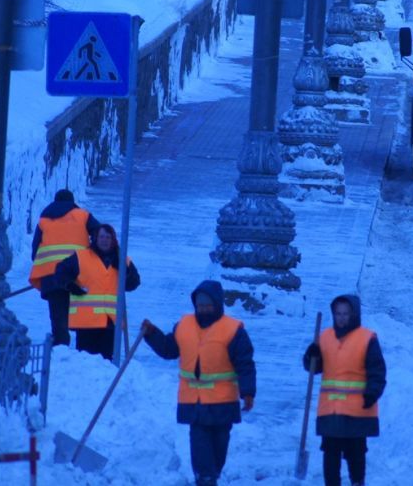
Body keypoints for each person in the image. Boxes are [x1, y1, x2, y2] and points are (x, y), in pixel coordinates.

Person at [143, 280, 256, 486]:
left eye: (208, 305)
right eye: (200, 305)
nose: (203, 309)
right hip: (195, 404)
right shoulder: (184, 326)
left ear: (218, 304)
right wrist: (152, 334)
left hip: (223, 404)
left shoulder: (233, 330)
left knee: (219, 450)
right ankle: (205, 480)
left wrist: (248, 392)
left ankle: (210, 477)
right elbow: (168, 349)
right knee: (200, 449)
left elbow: (245, 364)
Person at [303, 295, 387, 486]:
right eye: (338, 313)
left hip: (357, 411)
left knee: (355, 455)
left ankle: (357, 482)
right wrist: (311, 356)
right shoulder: (325, 337)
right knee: (330, 457)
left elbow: (377, 371)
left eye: (345, 314)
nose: (341, 318)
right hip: (330, 411)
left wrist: (372, 393)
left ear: (354, 314)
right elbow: (313, 367)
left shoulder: (366, 339)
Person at [47, 223, 140, 360]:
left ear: (113, 240)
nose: (104, 240)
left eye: (108, 237)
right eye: (101, 237)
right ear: (95, 238)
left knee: (107, 365)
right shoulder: (81, 257)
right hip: (86, 324)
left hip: (110, 323)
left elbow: (134, 283)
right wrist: (70, 285)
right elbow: (60, 273)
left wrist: (125, 271)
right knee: (85, 364)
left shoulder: (121, 260)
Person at [28, 189, 100, 346]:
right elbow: (100, 234)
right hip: (77, 275)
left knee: (58, 318)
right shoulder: (83, 215)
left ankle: (60, 347)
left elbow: (35, 251)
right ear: (72, 202)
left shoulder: (44, 220)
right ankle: (84, 351)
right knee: (81, 314)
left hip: (51, 277)